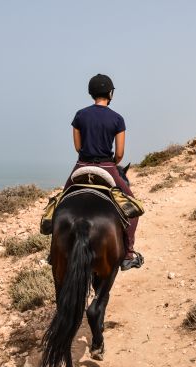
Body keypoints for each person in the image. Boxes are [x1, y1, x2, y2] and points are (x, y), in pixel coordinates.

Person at [64, 74, 143, 271]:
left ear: (91, 93)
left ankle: (53, 251)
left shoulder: (80, 115)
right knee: (133, 208)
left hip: (82, 165)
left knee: (59, 202)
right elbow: (120, 153)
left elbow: (77, 146)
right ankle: (128, 255)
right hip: (107, 167)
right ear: (110, 93)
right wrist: (111, 163)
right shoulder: (117, 119)